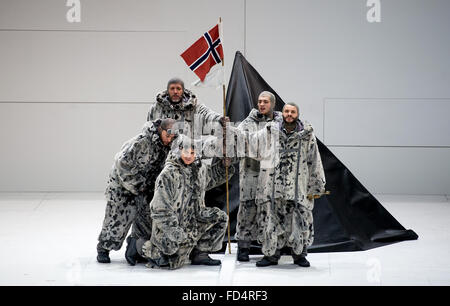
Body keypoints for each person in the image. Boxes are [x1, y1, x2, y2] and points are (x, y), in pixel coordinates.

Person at [126, 137, 234, 270]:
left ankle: (200, 253)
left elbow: (211, 179)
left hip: (194, 219)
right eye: (186, 152)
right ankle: (137, 244)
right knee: (169, 260)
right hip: (171, 225)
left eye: (193, 153)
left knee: (220, 218)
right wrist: (174, 232)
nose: (189, 156)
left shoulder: (199, 169)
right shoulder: (168, 174)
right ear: (179, 151)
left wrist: (224, 167)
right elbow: (159, 209)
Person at [96, 118, 177, 264]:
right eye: (168, 136)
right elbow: (122, 164)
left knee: (146, 220)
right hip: (123, 187)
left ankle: (134, 245)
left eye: (173, 137)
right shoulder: (141, 142)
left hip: (145, 187)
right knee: (117, 221)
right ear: (161, 130)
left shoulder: (169, 143)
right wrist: (140, 185)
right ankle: (103, 249)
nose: (170, 140)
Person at [235, 91, 283, 262]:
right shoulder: (248, 123)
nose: (262, 104)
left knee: (271, 210)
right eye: (260, 101)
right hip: (251, 172)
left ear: (273, 104)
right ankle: (243, 246)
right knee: (247, 209)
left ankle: (270, 248)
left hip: (272, 175)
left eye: (265, 102)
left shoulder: (281, 123)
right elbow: (241, 142)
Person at [147, 77, 228, 138]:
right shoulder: (157, 108)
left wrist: (219, 119)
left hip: (187, 153)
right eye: (172, 89)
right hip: (163, 153)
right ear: (168, 91)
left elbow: (206, 114)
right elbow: (148, 129)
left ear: (183, 90)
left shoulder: (194, 107)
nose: (175, 92)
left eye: (178, 88)